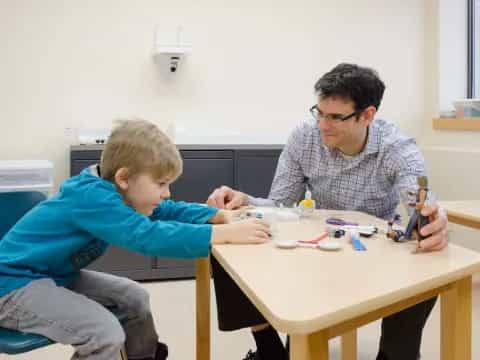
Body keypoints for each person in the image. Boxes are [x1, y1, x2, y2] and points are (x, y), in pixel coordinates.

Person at [206, 63, 449, 360]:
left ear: (368, 115)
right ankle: (270, 352)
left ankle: (395, 355)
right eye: (319, 112)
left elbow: (420, 203)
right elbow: (281, 203)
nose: (323, 124)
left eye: (335, 117)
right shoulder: (304, 138)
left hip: (372, 252)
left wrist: (432, 219)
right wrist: (245, 200)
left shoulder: (396, 147)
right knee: (230, 243)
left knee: (425, 266)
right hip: (317, 244)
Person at [0, 119, 270, 360]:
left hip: (53, 275)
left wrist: (215, 215)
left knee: (133, 296)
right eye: (161, 183)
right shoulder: (91, 198)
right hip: (12, 285)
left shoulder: (115, 190)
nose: (166, 193)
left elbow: (164, 210)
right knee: (104, 333)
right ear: (124, 178)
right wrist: (222, 234)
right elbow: (147, 236)